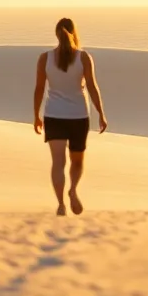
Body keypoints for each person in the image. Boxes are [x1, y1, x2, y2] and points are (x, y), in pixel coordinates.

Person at [33, 18, 109, 216]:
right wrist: (101, 113)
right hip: (78, 116)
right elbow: (92, 87)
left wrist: (36, 116)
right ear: (74, 32)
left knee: (58, 163)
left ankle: (60, 204)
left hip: (53, 115)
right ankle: (73, 190)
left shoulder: (45, 58)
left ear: (56, 34)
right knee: (77, 161)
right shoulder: (83, 57)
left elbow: (39, 89)